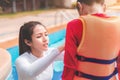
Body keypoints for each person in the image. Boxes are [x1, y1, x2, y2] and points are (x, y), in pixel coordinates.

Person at [62, 0, 120, 80]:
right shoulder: (118, 25)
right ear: (104, 7)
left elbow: (69, 64)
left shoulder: (74, 25)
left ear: (80, 6)